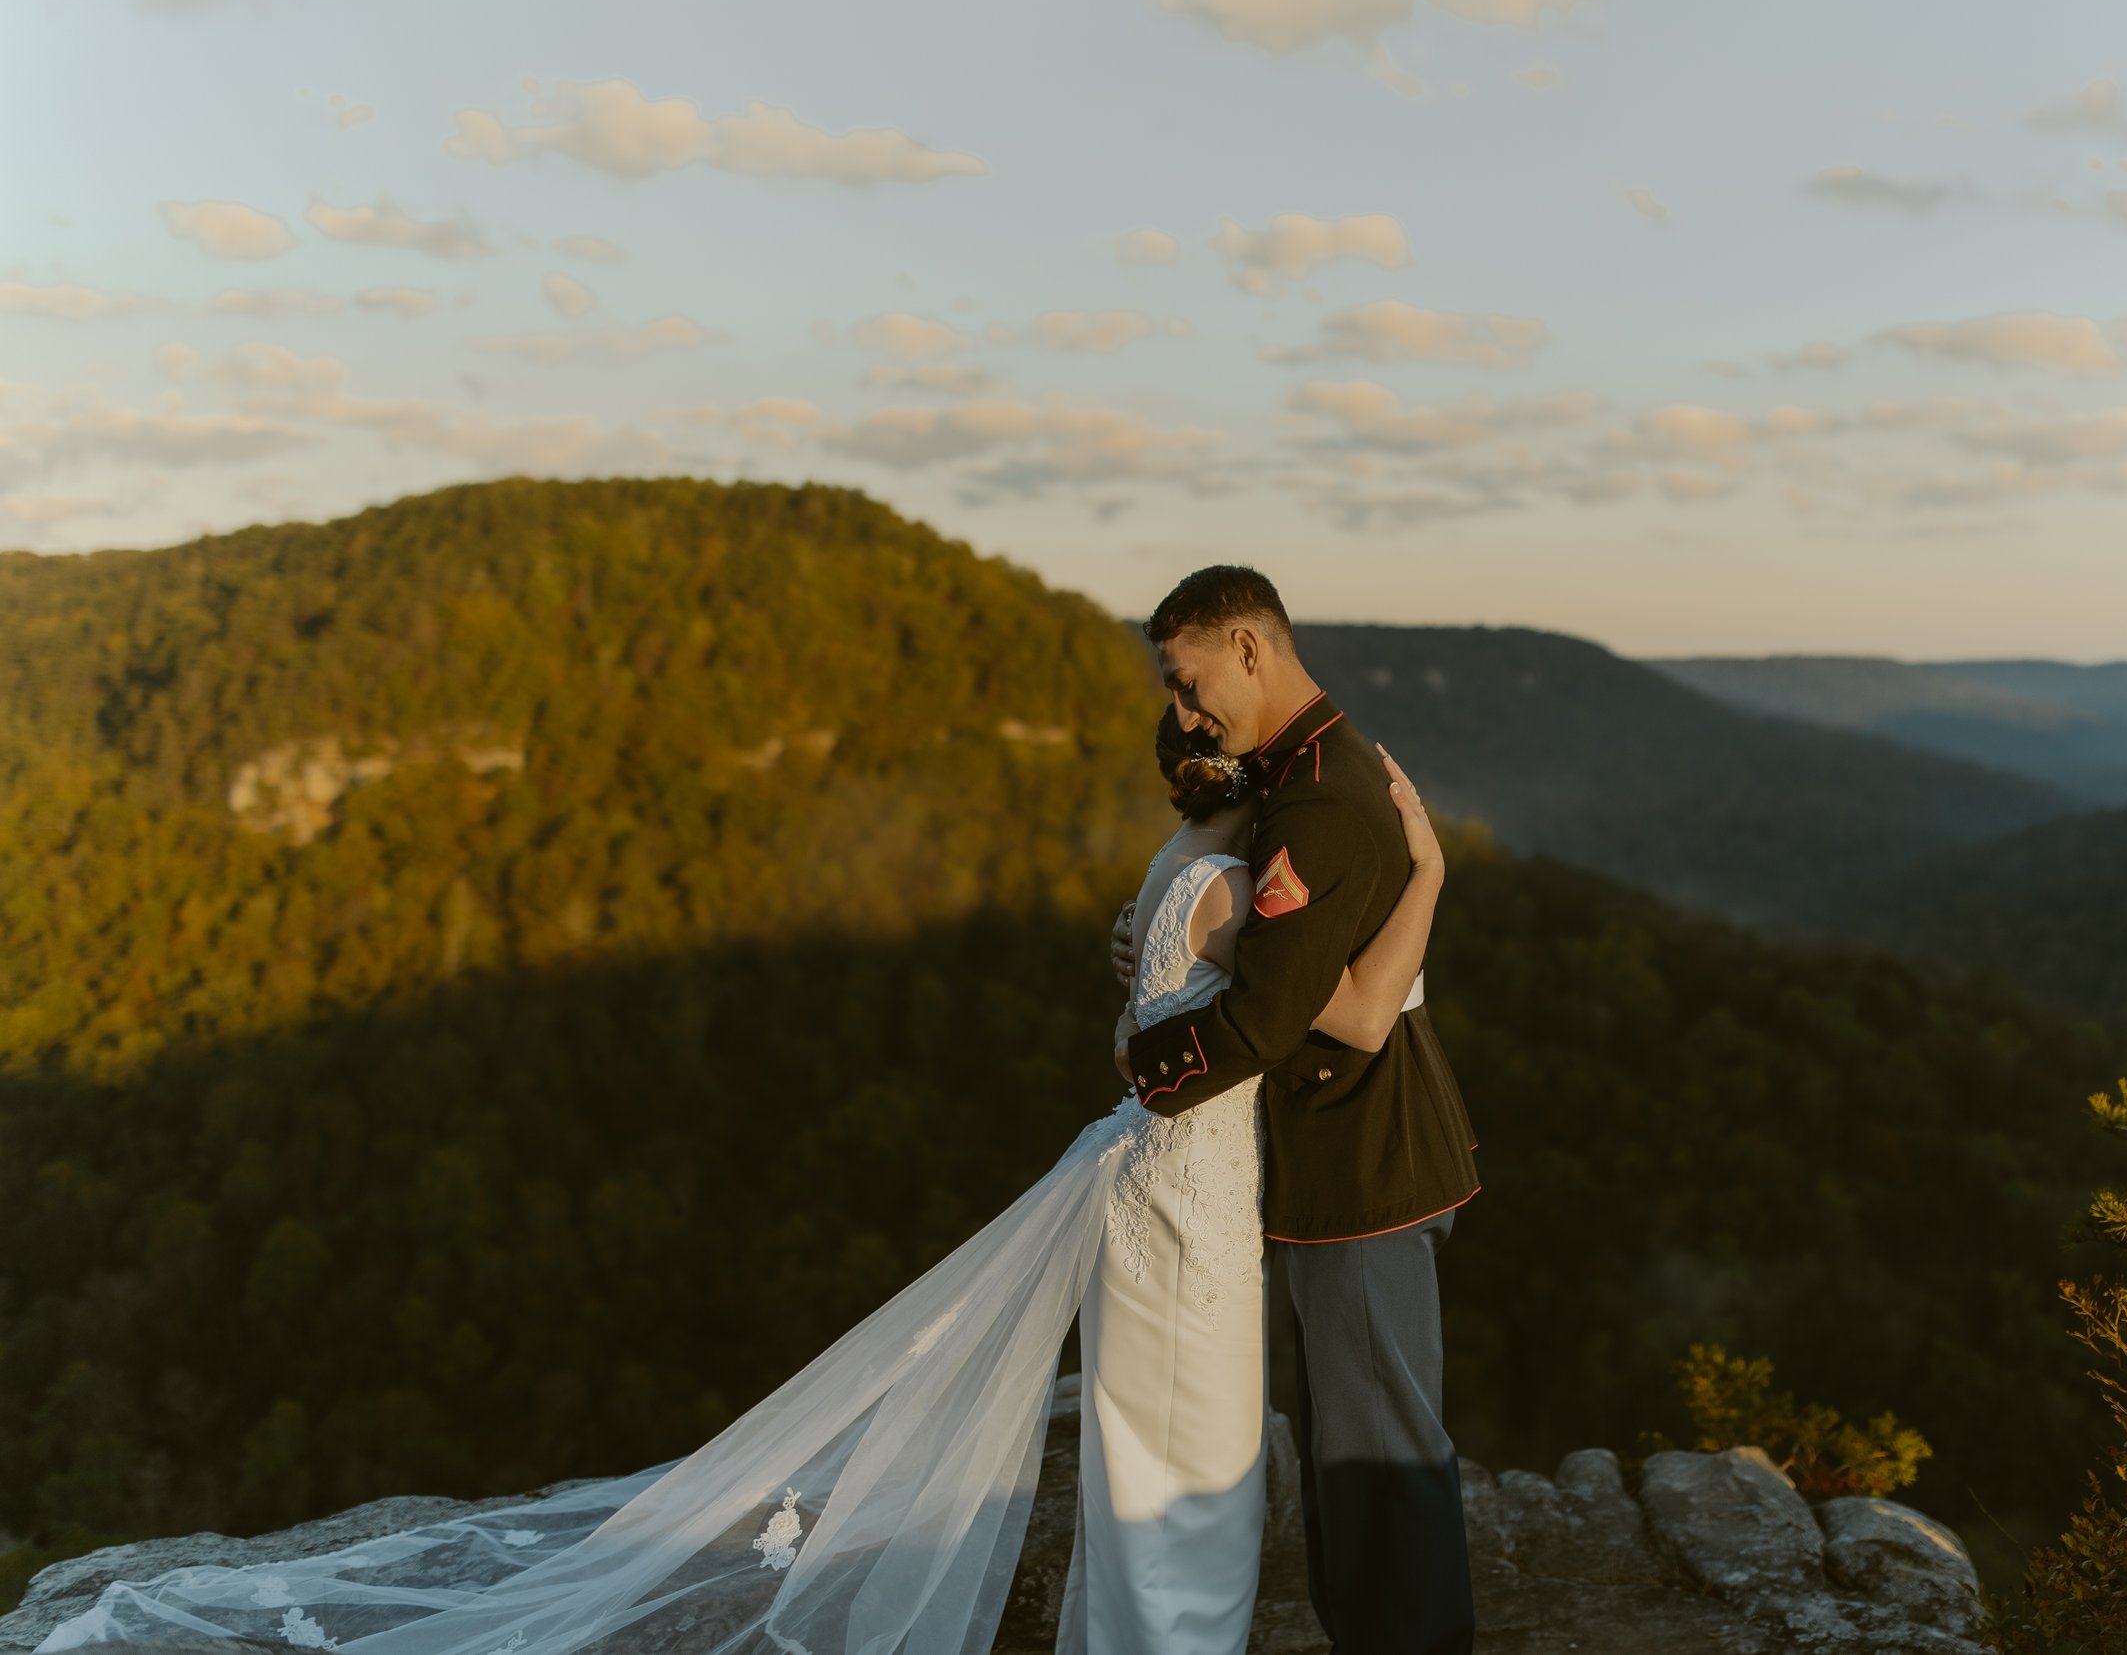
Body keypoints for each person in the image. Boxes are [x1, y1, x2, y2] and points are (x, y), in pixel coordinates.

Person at [32, 701, 1450, 1655]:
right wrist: (1425, 879)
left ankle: (1148, 1626)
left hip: (1151, 1166)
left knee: (1164, 1420)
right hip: (1192, 1191)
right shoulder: (1232, 890)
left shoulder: (1162, 877)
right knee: (1194, 1435)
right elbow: (1335, 1016)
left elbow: (1137, 1032)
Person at [1118, 565, 1480, 1655]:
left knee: (1381, 1467)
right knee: (1345, 1456)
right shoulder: (1302, 770)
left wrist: (1147, 1070)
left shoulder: (1318, 798)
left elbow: (1281, 1018)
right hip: (1346, 1160)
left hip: (1362, 1166)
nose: (1185, 715)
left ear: (1247, 646)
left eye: (1188, 685)